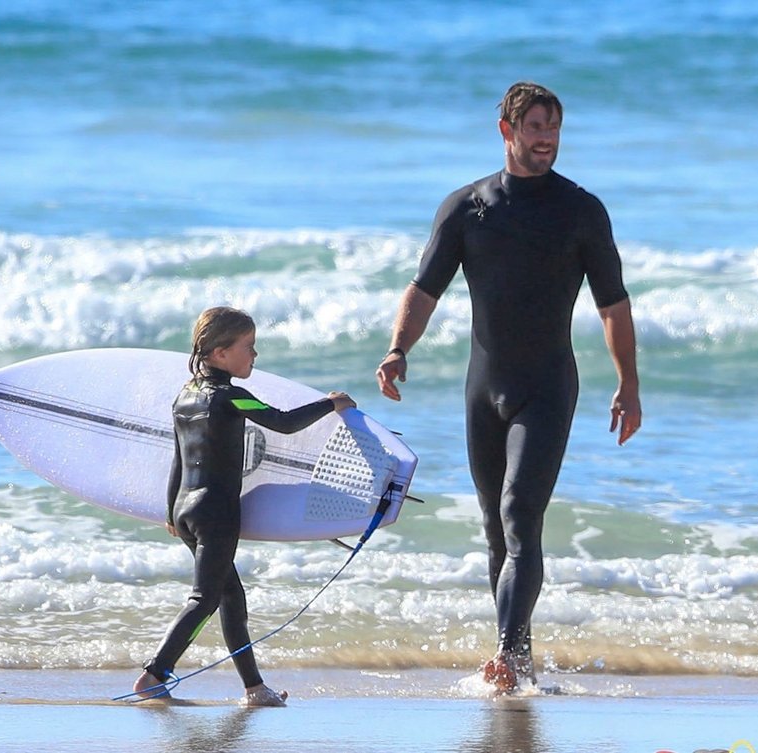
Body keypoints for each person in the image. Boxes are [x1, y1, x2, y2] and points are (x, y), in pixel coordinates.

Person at [375, 82, 641, 693]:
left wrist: (628, 383)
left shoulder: (580, 211)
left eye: (554, 128)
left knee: (521, 513)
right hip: (483, 388)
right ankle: (518, 661)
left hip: (547, 386)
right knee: (497, 530)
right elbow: (424, 290)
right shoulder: (467, 208)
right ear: (507, 131)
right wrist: (397, 350)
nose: (547, 139)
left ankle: (503, 655)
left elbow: (613, 304)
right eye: (536, 127)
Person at [134, 306, 356, 705]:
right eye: (248, 347)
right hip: (216, 513)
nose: (254, 356)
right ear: (220, 354)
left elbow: (178, 458)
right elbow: (283, 422)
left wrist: (171, 512)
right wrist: (330, 403)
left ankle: (254, 688)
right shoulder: (234, 398)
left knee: (231, 598)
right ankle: (154, 673)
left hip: (186, 509)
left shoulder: (184, 397)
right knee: (204, 599)